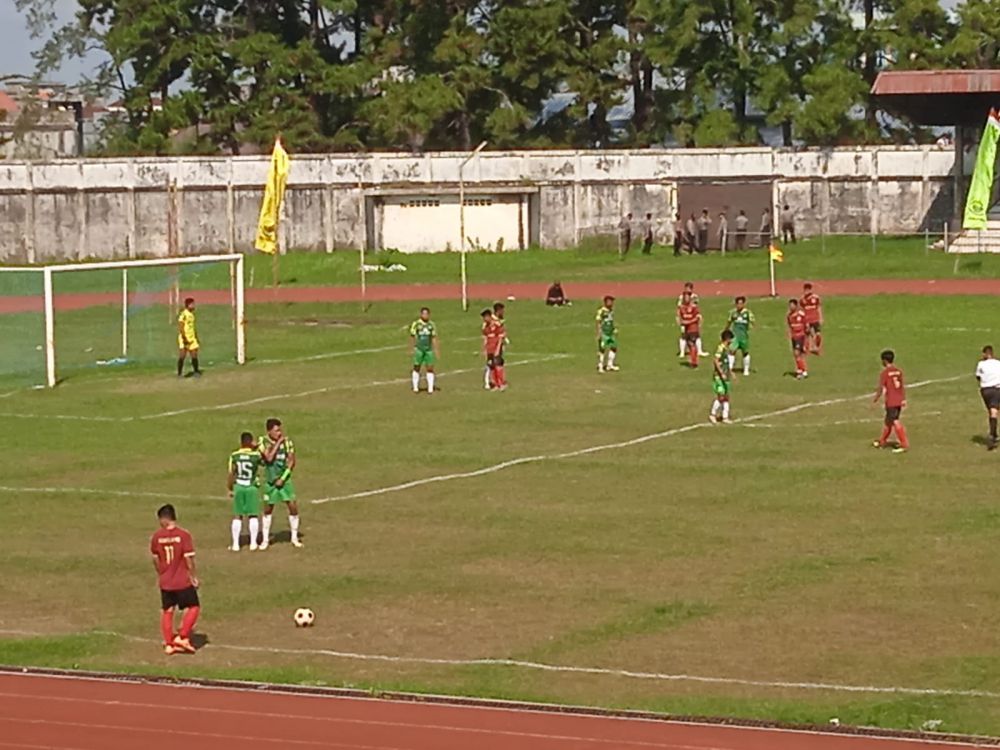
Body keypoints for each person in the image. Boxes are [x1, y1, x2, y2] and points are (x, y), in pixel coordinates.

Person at [150, 504, 199, 655]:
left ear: (164, 519)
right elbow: (188, 559)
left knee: (167, 610)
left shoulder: (157, 537)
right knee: (194, 606)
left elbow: (155, 558)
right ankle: (183, 636)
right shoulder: (183, 535)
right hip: (182, 580)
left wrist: (162, 573)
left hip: (166, 581)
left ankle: (169, 644)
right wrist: (193, 576)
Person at [259, 418, 301, 549]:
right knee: (268, 508)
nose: (280, 433)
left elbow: (291, 461)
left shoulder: (288, 442)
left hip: (284, 480)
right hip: (271, 481)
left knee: (293, 506)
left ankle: (294, 538)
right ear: (269, 431)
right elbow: (269, 458)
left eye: (280, 430)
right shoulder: (263, 441)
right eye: (277, 430)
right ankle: (265, 540)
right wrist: (278, 444)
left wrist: (283, 478)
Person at [228, 432, 262, 552]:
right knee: (253, 515)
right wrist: (258, 447)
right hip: (251, 486)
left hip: (239, 486)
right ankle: (253, 543)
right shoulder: (255, 455)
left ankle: (236, 544)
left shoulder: (234, 455)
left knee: (238, 515)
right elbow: (264, 462)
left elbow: (232, 473)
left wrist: (230, 488)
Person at [872, 349, 909, 454]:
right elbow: (901, 386)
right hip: (899, 400)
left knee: (895, 421)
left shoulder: (885, 373)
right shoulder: (899, 371)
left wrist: (875, 399)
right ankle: (882, 441)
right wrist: (903, 399)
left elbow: (880, 388)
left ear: (884, 361)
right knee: (888, 421)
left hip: (891, 401)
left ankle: (904, 444)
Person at [409, 307, 440, 394]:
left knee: (430, 368)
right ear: (421, 314)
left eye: (426, 314)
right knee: (417, 367)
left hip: (428, 350)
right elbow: (412, 336)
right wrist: (411, 348)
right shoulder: (416, 324)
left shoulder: (431, 325)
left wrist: (436, 349)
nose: (425, 315)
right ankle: (415, 387)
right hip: (419, 349)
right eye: (423, 313)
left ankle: (430, 388)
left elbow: (434, 338)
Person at [975, 345, 1000, 450]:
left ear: (985, 354)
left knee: (992, 411)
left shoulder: (981, 364)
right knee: (995, 411)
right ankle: (992, 435)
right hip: (997, 388)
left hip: (985, 390)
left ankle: (993, 434)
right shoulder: (998, 363)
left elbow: (978, 377)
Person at [709, 330, 735, 424]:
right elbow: (715, 361)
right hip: (719, 377)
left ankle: (725, 417)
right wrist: (721, 373)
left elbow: (725, 362)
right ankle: (712, 414)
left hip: (726, 376)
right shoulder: (720, 348)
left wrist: (730, 372)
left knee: (726, 397)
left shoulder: (726, 349)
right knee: (721, 396)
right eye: (731, 339)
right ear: (727, 339)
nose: (732, 341)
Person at [726, 296, 755, 376]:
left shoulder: (748, 313)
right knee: (732, 351)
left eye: (741, 304)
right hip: (735, 336)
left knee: (745, 352)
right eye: (738, 304)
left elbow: (752, 322)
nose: (739, 305)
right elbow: (729, 322)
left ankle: (746, 370)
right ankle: (730, 368)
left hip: (744, 336)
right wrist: (726, 331)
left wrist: (751, 328)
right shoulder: (733, 313)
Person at [676, 282, 705, 357]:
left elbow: (695, 307)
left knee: (697, 334)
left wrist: (698, 318)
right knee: (683, 335)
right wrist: (679, 318)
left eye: (689, 288)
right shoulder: (681, 297)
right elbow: (679, 308)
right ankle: (682, 352)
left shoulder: (694, 296)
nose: (687, 290)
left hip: (692, 316)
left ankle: (699, 351)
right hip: (685, 317)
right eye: (686, 288)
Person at [483, 303, 507, 390]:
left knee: (498, 363)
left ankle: (500, 383)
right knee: (493, 364)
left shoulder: (496, 322)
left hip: (496, 346)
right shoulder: (490, 323)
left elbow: (501, 334)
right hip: (491, 347)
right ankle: (495, 383)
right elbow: (486, 336)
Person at [677, 292, 702, 368]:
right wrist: (681, 322)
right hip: (686, 329)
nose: (686, 299)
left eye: (687, 297)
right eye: (685, 297)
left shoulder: (694, 307)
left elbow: (697, 318)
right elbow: (680, 318)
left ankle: (694, 362)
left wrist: (688, 322)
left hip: (693, 328)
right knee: (689, 345)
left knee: (692, 344)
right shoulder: (682, 308)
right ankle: (693, 360)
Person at [177, 297, 201, 378]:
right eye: (192, 304)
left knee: (194, 355)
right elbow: (181, 326)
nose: (194, 306)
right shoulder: (184, 314)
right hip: (185, 338)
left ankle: (196, 372)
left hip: (192, 338)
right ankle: (179, 373)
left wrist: (196, 337)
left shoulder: (192, 315)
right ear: (188, 305)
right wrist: (184, 338)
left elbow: (193, 327)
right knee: (182, 356)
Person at [595, 295, 620, 373]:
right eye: (610, 301)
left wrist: (614, 328)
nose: (612, 303)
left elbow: (611, 321)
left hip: (610, 333)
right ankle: (600, 366)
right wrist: (599, 332)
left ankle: (610, 365)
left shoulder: (611, 310)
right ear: (606, 302)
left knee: (614, 347)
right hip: (604, 333)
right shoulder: (601, 311)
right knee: (602, 349)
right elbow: (598, 322)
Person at [786, 298, 808, 379]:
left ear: (796, 305)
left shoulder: (801, 314)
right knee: (798, 355)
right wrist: (789, 334)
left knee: (796, 353)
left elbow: (806, 325)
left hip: (800, 336)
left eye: (792, 305)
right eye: (789, 305)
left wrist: (806, 337)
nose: (790, 307)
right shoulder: (789, 316)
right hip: (794, 337)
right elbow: (789, 326)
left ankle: (800, 371)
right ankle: (803, 370)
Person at [800, 283, 823, 355]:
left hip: (815, 319)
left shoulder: (816, 298)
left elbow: (819, 307)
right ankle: (806, 348)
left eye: (808, 289)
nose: (806, 291)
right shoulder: (802, 299)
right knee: (807, 335)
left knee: (818, 334)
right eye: (805, 290)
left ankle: (816, 348)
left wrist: (821, 317)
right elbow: (802, 310)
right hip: (807, 320)